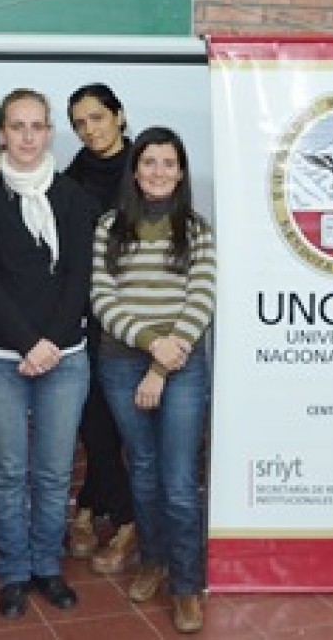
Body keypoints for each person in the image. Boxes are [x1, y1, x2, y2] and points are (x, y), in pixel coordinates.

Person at [0, 88, 99, 618]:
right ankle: (14, 571)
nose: (26, 136)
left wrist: (51, 344)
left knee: (53, 472)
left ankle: (47, 566)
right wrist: (28, 343)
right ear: (1, 133)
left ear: (49, 134)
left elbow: (78, 276)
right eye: (16, 126)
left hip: (65, 358)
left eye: (36, 126)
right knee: (9, 470)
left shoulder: (71, 196)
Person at [92, 126, 217, 634]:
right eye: (150, 162)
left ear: (181, 171)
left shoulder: (197, 229)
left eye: (169, 162)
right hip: (122, 363)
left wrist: (163, 365)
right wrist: (151, 346)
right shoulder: (109, 226)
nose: (159, 171)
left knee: (180, 481)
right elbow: (103, 298)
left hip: (181, 368)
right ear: (136, 169)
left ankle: (186, 586)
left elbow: (202, 298)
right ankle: (152, 560)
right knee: (142, 469)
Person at [62, 83, 138, 575]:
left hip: (140, 318)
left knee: (125, 423)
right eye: (80, 123)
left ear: (119, 115)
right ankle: (126, 516)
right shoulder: (69, 178)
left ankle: (93, 507)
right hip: (88, 319)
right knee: (93, 421)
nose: (90, 130)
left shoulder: (147, 167)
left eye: (97, 118)